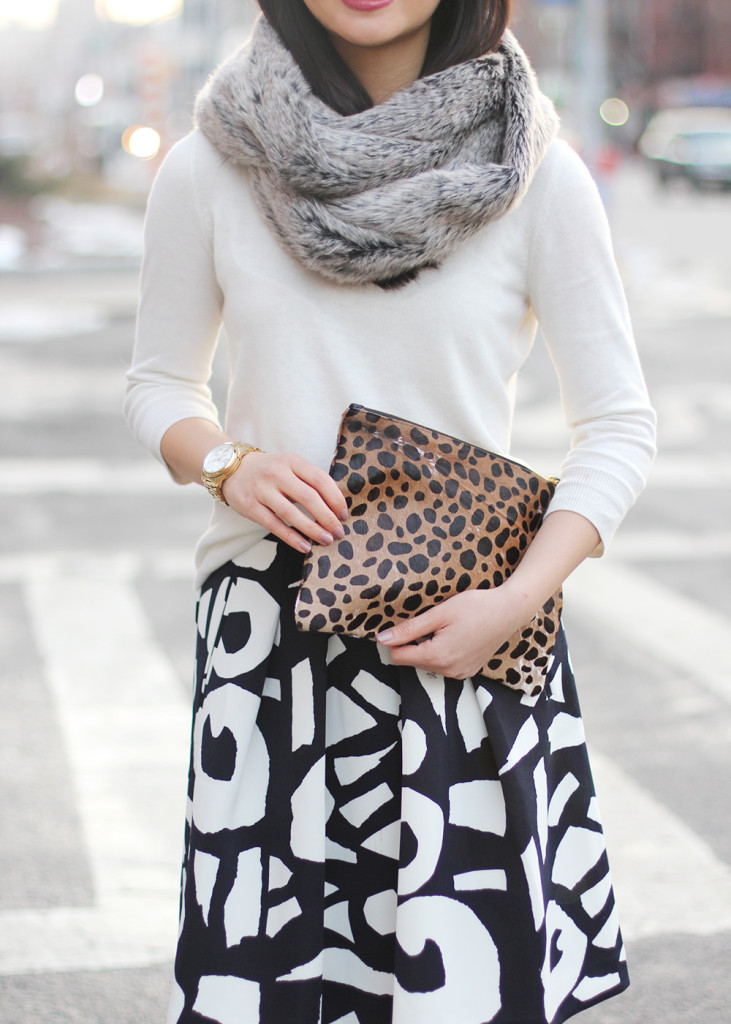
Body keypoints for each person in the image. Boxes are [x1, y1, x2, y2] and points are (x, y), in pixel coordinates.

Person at [124, 2, 656, 1022]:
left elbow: (618, 426)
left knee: (452, 989)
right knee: (272, 991)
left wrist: (518, 598)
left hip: (462, 634)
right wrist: (227, 464)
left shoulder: (534, 177)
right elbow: (158, 384)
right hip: (268, 647)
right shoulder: (210, 166)